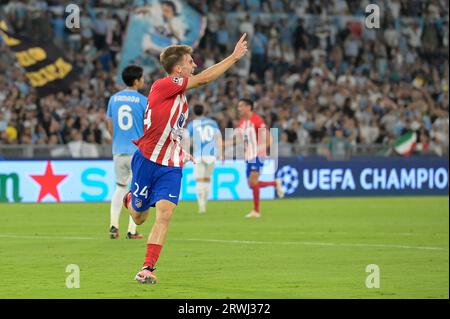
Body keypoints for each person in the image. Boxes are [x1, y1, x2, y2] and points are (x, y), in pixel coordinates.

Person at [122, 33, 249, 284]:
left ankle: (147, 267)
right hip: (147, 160)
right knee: (139, 216)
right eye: (191, 61)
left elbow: (171, 130)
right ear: (178, 68)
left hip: (171, 166)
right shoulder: (162, 85)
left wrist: (180, 150)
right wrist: (233, 57)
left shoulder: (179, 99)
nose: (195, 65)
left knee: (165, 214)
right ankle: (130, 199)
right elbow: (202, 80)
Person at [106, 65, 147, 240]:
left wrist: (116, 140)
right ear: (136, 80)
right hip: (137, 151)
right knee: (136, 190)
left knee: (120, 188)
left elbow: (109, 123)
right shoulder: (143, 100)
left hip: (118, 151)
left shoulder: (114, 99)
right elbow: (148, 126)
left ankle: (113, 225)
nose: (144, 81)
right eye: (142, 78)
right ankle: (132, 230)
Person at [235, 98, 284, 218]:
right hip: (248, 156)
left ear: (248, 107)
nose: (239, 108)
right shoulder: (241, 123)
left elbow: (269, 139)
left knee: (253, 182)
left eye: (241, 106)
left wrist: (259, 149)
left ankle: (256, 211)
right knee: (251, 184)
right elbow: (242, 140)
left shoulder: (257, 121)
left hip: (258, 155)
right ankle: (274, 183)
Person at [186, 104, 222, 214]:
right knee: (207, 179)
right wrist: (220, 153)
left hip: (199, 155)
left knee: (199, 180)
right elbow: (218, 138)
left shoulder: (192, 124)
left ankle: (201, 205)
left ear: (193, 112)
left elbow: (187, 140)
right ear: (204, 111)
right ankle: (204, 203)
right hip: (211, 155)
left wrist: (187, 153)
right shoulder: (213, 123)